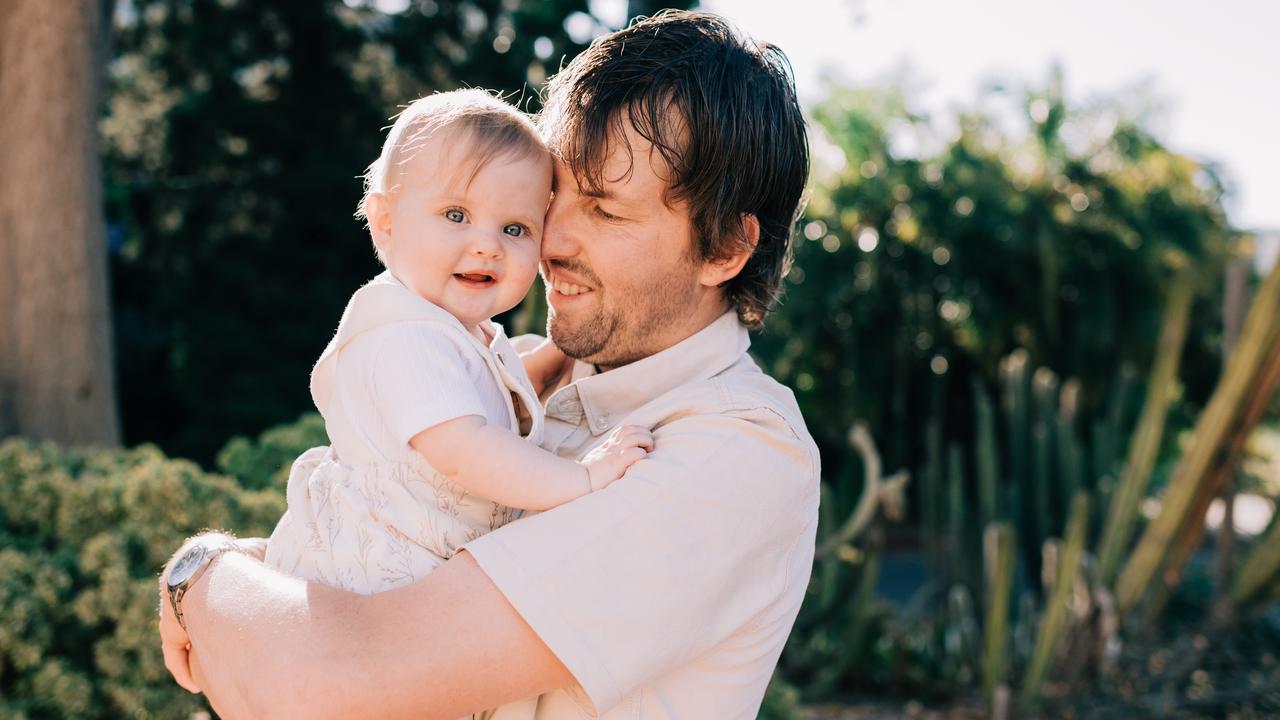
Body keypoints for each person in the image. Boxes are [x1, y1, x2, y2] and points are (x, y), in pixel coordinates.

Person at [158, 10, 818, 719]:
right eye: (551, 199)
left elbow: (317, 681)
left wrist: (203, 579)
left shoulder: (736, 450)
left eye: (604, 211)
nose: (549, 242)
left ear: (724, 247)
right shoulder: (526, 377)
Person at [255, 89, 650, 603]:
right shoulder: (404, 336)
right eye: (456, 215)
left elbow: (475, 396)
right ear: (386, 223)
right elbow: (466, 451)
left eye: (515, 228)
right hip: (370, 587)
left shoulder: (451, 330)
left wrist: (554, 359)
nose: (487, 244)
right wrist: (583, 478)